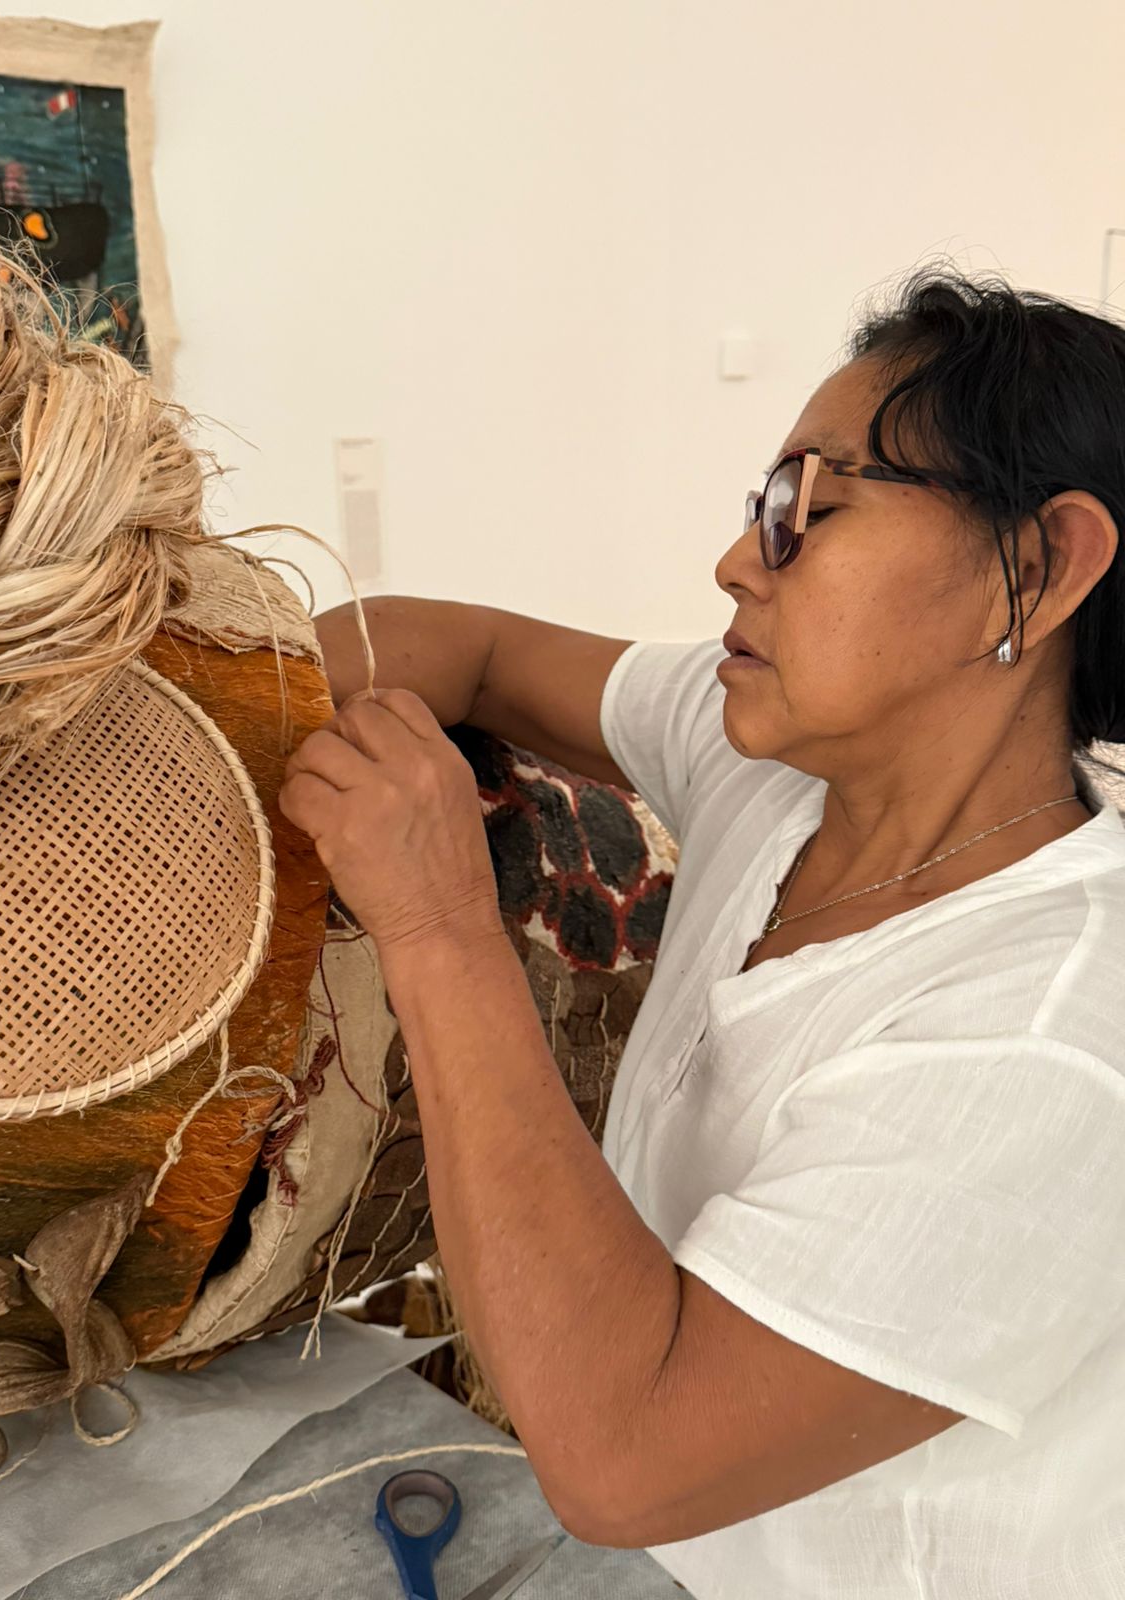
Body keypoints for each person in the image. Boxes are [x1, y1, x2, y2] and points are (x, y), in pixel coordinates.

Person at [285, 269, 1125, 1599]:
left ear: (1037, 566)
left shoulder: (1053, 1039)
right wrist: (221, 696)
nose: (739, 561)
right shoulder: (780, 763)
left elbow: (625, 1459)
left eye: (815, 509)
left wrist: (440, 925)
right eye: (762, 507)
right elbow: (472, 648)